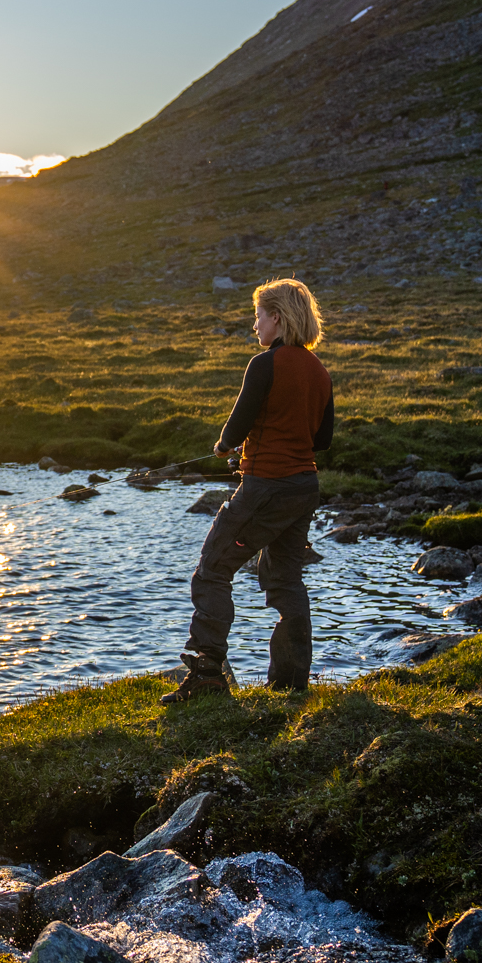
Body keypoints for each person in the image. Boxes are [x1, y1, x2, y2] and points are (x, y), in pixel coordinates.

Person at [161, 277, 333, 704]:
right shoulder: (320, 371)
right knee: (286, 580)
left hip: (265, 489)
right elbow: (322, 440)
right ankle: (290, 684)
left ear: (276, 317)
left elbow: (236, 426)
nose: (255, 325)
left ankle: (207, 674)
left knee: (213, 569)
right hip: (303, 487)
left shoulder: (264, 365)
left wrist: (225, 446)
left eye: (258, 316)